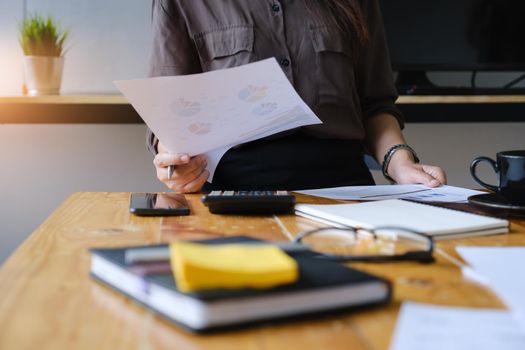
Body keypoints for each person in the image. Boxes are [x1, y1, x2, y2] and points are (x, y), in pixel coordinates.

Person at [147, 0, 447, 193]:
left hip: (344, 187)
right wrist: (174, 164)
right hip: (235, 190)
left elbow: (374, 104)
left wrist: (400, 162)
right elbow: (172, 112)